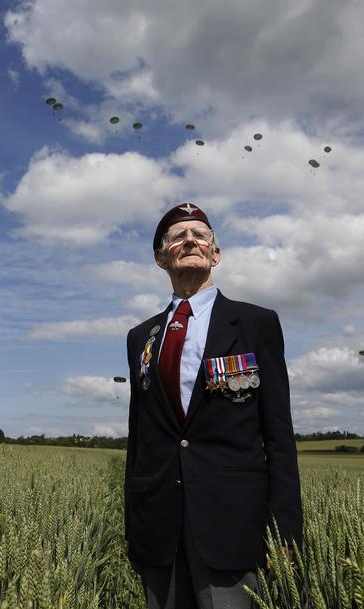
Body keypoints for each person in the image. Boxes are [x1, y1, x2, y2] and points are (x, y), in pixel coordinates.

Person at [124, 202, 303, 609]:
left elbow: (278, 434)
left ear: (215, 255)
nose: (190, 240)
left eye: (200, 235)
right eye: (178, 236)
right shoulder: (140, 338)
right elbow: (140, 438)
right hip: (158, 530)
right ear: (160, 257)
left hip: (234, 528)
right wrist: (134, 529)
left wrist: (285, 532)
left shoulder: (256, 323)